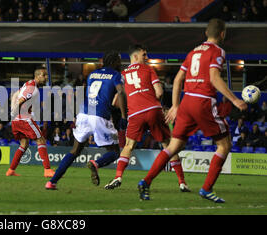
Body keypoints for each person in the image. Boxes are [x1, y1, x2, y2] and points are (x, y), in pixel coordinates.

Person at [137, 19, 247, 203]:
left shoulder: (193, 51)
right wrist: (235, 100)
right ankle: (206, 189)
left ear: (206, 33)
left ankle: (146, 182)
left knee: (173, 147)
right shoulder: (218, 51)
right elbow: (213, 77)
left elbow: (179, 78)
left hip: (187, 102)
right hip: (203, 102)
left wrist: (175, 105)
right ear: (222, 34)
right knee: (224, 145)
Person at [104, 44, 190, 192]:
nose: (147, 57)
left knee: (128, 146)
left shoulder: (122, 75)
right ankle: (182, 182)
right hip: (153, 110)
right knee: (169, 146)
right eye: (144, 55)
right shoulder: (148, 69)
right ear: (135, 56)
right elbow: (159, 92)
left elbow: (115, 102)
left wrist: (132, 100)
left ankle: (118, 177)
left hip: (135, 114)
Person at [45, 50, 127, 190]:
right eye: (119, 61)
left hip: (84, 114)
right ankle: (96, 163)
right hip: (100, 115)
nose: (121, 64)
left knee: (75, 150)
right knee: (114, 152)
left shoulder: (92, 74)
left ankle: (52, 182)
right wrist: (124, 116)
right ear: (113, 62)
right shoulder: (116, 75)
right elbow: (120, 92)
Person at [6, 66, 56, 178]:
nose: (46, 77)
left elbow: (15, 95)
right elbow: (20, 100)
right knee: (41, 139)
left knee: (24, 144)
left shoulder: (28, 83)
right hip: (24, 119)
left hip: (17, 120)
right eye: (44, 75)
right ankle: (47, 170)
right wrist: (13, 112)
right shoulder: (32, 88)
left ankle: (11, 170)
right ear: (37, 76)